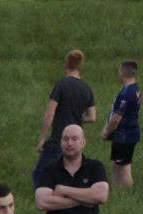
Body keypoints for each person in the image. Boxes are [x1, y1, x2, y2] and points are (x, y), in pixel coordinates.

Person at [33, 49, 97, 187]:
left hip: (59, 137)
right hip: (76, 138)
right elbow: (92, 117)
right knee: (69, 168)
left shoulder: (61, 85)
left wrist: (43, 139)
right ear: (80, 66)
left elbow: (50, 113)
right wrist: (78, 120)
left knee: (40, 174)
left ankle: (44, 198)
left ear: (66, 64)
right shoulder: (87, 88)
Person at [100, 60, 142, 188]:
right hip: (125, 134)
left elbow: (117, 117)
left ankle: (127, 194)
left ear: (122, 73)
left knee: (124, 169)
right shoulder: (135, 89)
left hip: (125, 136)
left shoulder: (126, 93)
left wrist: (107, 131)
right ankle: (116, 190)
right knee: (116, 165)